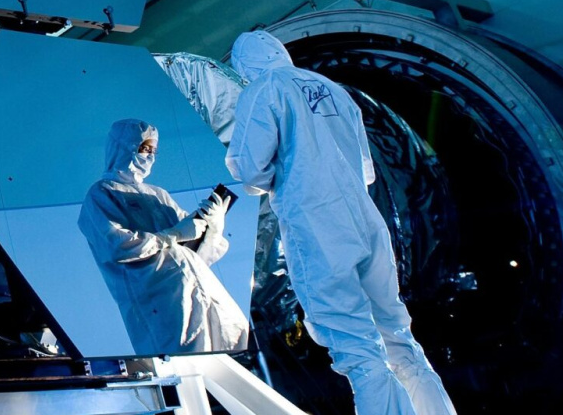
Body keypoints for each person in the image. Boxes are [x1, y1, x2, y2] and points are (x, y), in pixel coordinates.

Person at [225, 30, 457, 415]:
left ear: (245, 66)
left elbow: (248, 168)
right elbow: (366, 171)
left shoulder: (264, 89)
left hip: (317, 225)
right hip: (366, 221)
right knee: (399, 339)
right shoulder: (334, 89)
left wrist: (279, 180)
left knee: (358, 350)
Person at [78, 119, 249, 355]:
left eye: (153, 151)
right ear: (123, 147)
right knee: (187, 364)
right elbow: (117, 245)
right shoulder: (101, 194)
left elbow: (196, 251)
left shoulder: (158, 194)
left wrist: (213, 226)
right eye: (144, 149)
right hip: (161, 302)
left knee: (233, 340)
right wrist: (174, 234)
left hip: (198, 285)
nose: (150, 156)